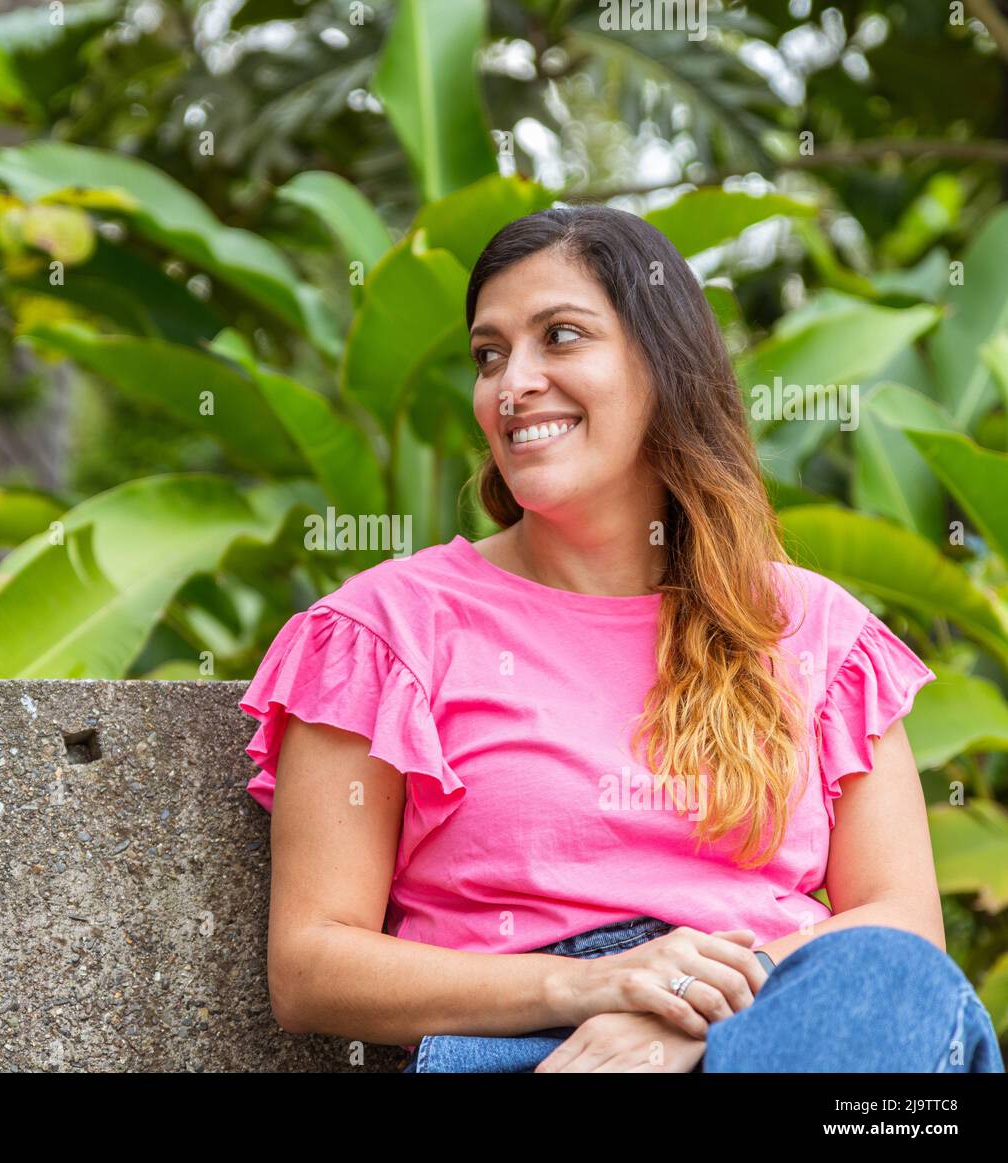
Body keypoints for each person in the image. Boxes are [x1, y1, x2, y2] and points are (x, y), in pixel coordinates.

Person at [237, 204, 1004, 1074]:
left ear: (662, 368)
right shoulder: (386, 631)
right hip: (532, 1050)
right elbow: (311, 964)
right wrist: (593, 986)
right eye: (489, 354)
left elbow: (902, 921)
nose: (512, 382)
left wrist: (685, 1011)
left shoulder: (814, 631)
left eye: (560, 336)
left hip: (777, 1025)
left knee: (892, 988)